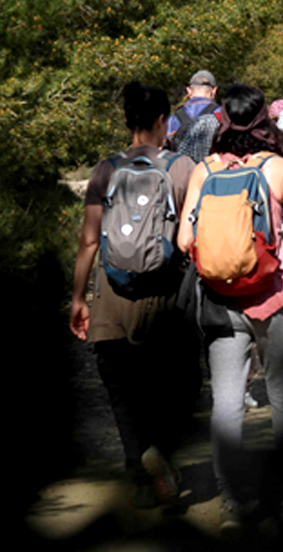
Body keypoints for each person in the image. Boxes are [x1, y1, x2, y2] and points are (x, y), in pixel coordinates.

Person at [176, 84, 283, 520]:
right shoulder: (277, 168)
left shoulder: (205, 170)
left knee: (226, 400)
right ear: (263, 120)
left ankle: (231, 497)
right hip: (274, 295)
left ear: (223, 121)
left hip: (221, 301)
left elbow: (185, 239)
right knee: (282, 390)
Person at [69, 82, 200, 508]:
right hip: (164, 297)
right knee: (172, 384)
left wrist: (78, 299)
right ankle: (157, 452)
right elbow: (188, 240)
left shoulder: (105, 170)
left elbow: (89, 241)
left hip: (110, 295)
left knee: (121, 388)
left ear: (127, 121)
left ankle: (140, 468)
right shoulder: (184, 168)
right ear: (164, 120)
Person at [166, 69, 219, 145]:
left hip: (181, 156)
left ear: (189, 91)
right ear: (214, 91)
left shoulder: (175, 118)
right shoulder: (221, 114)